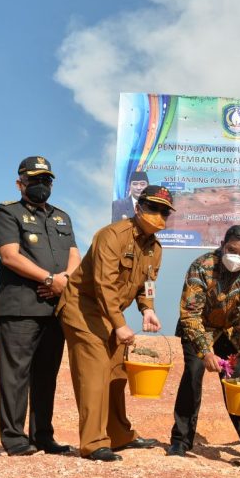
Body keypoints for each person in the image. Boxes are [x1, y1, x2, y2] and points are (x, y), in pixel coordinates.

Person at [57, 185, 174, 461]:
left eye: (164, 211)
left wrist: (147, 309)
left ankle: (119, 435)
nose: (158, 215)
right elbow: (103, 283)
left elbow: (147, 284)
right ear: (138, 208)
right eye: (153, 208)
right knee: (95, 372)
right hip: (82, 308)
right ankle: (94, 443)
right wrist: (120, 324)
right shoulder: (112, 236)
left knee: (117, 373)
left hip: (110, 314)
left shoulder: (155, 249)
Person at [0, 156, 81, 456]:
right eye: (35, 180)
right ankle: (15, 438)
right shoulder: (7, 212)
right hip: (19, 308)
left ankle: (43, 435)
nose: (42, 185)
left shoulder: (62, 217)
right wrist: (49, 278)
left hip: (55, 309)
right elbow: (10, 255)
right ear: (20, 184)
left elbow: (74, 254)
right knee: (15, 375)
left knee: (46, 375)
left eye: (47, 180)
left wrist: (64, 280)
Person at [168, 225, 240, 457]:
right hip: (200, 328)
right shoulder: (202, 266)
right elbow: (190, 314)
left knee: (238, 383)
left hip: (232, 331)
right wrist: (205, 351)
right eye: (232, 250)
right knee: (193, 374)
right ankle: (181, 440)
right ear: (222, 244)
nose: (237, 257)